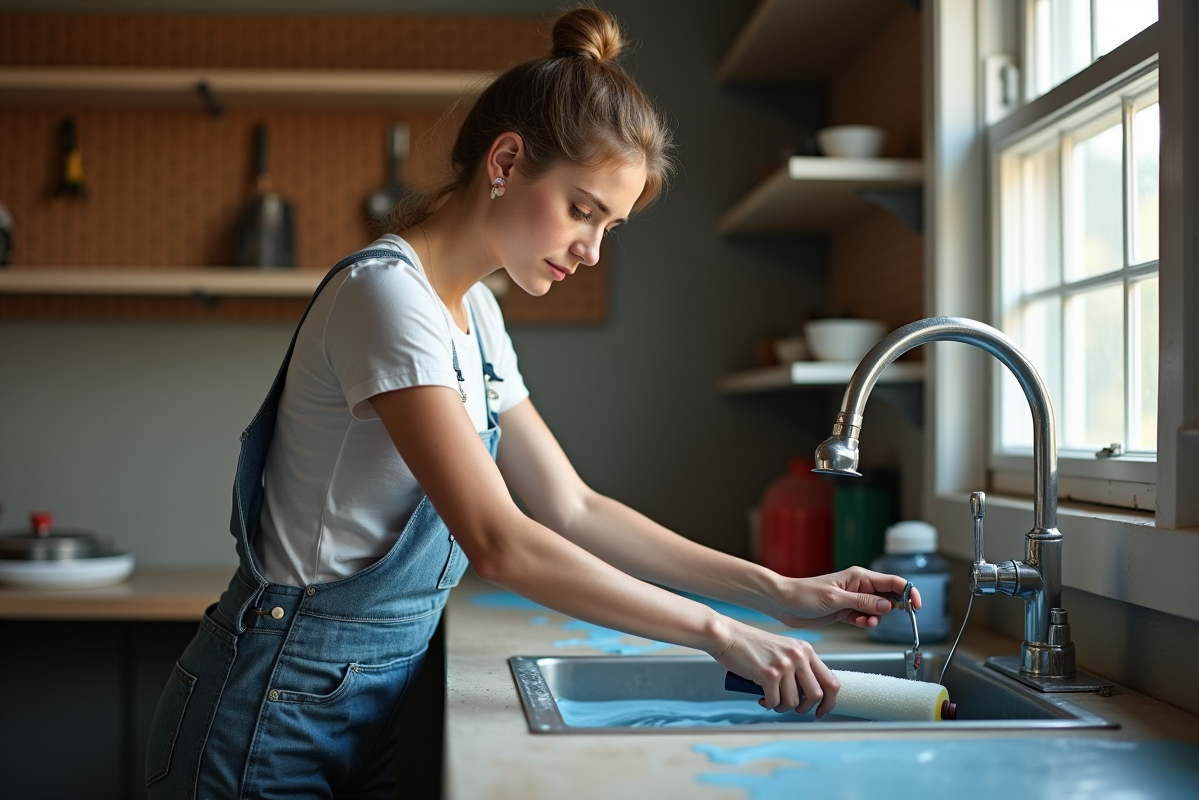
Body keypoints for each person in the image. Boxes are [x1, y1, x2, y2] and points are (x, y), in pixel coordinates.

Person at [144, 7, 920, 798]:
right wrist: (722, 635)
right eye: (583, 210)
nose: (591, 250)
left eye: (610, 226)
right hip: (272, 704)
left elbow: (571, 506)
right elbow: (500, 542)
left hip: (359, 698)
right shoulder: (387, 299)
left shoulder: (476, 312)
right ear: (507, 160)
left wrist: (779, 593)